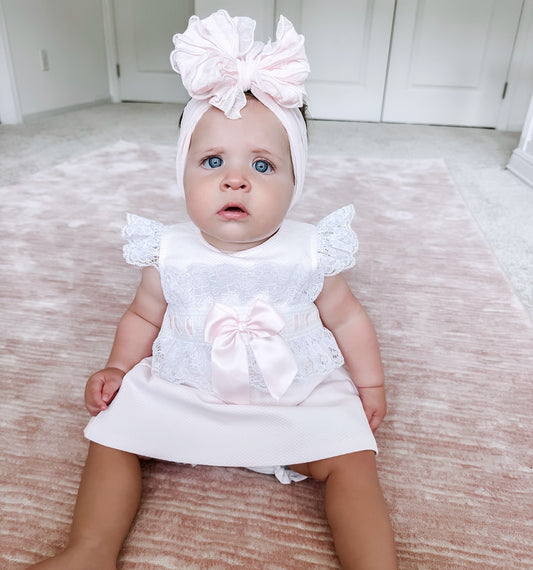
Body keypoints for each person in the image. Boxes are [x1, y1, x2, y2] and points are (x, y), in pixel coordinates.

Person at [30, 10, 396, 570]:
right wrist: (118, 368)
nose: (235, 179)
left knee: (353, 458)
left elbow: (346, 317)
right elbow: (144, 316)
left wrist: (369, 385)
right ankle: (90, 550)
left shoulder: (311, 249)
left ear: (296, 182)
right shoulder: (168, 249)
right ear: (183, 173)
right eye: (213, 161)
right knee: (111, 435)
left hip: (293, 390)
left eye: (263, 165)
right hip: (187, 384)